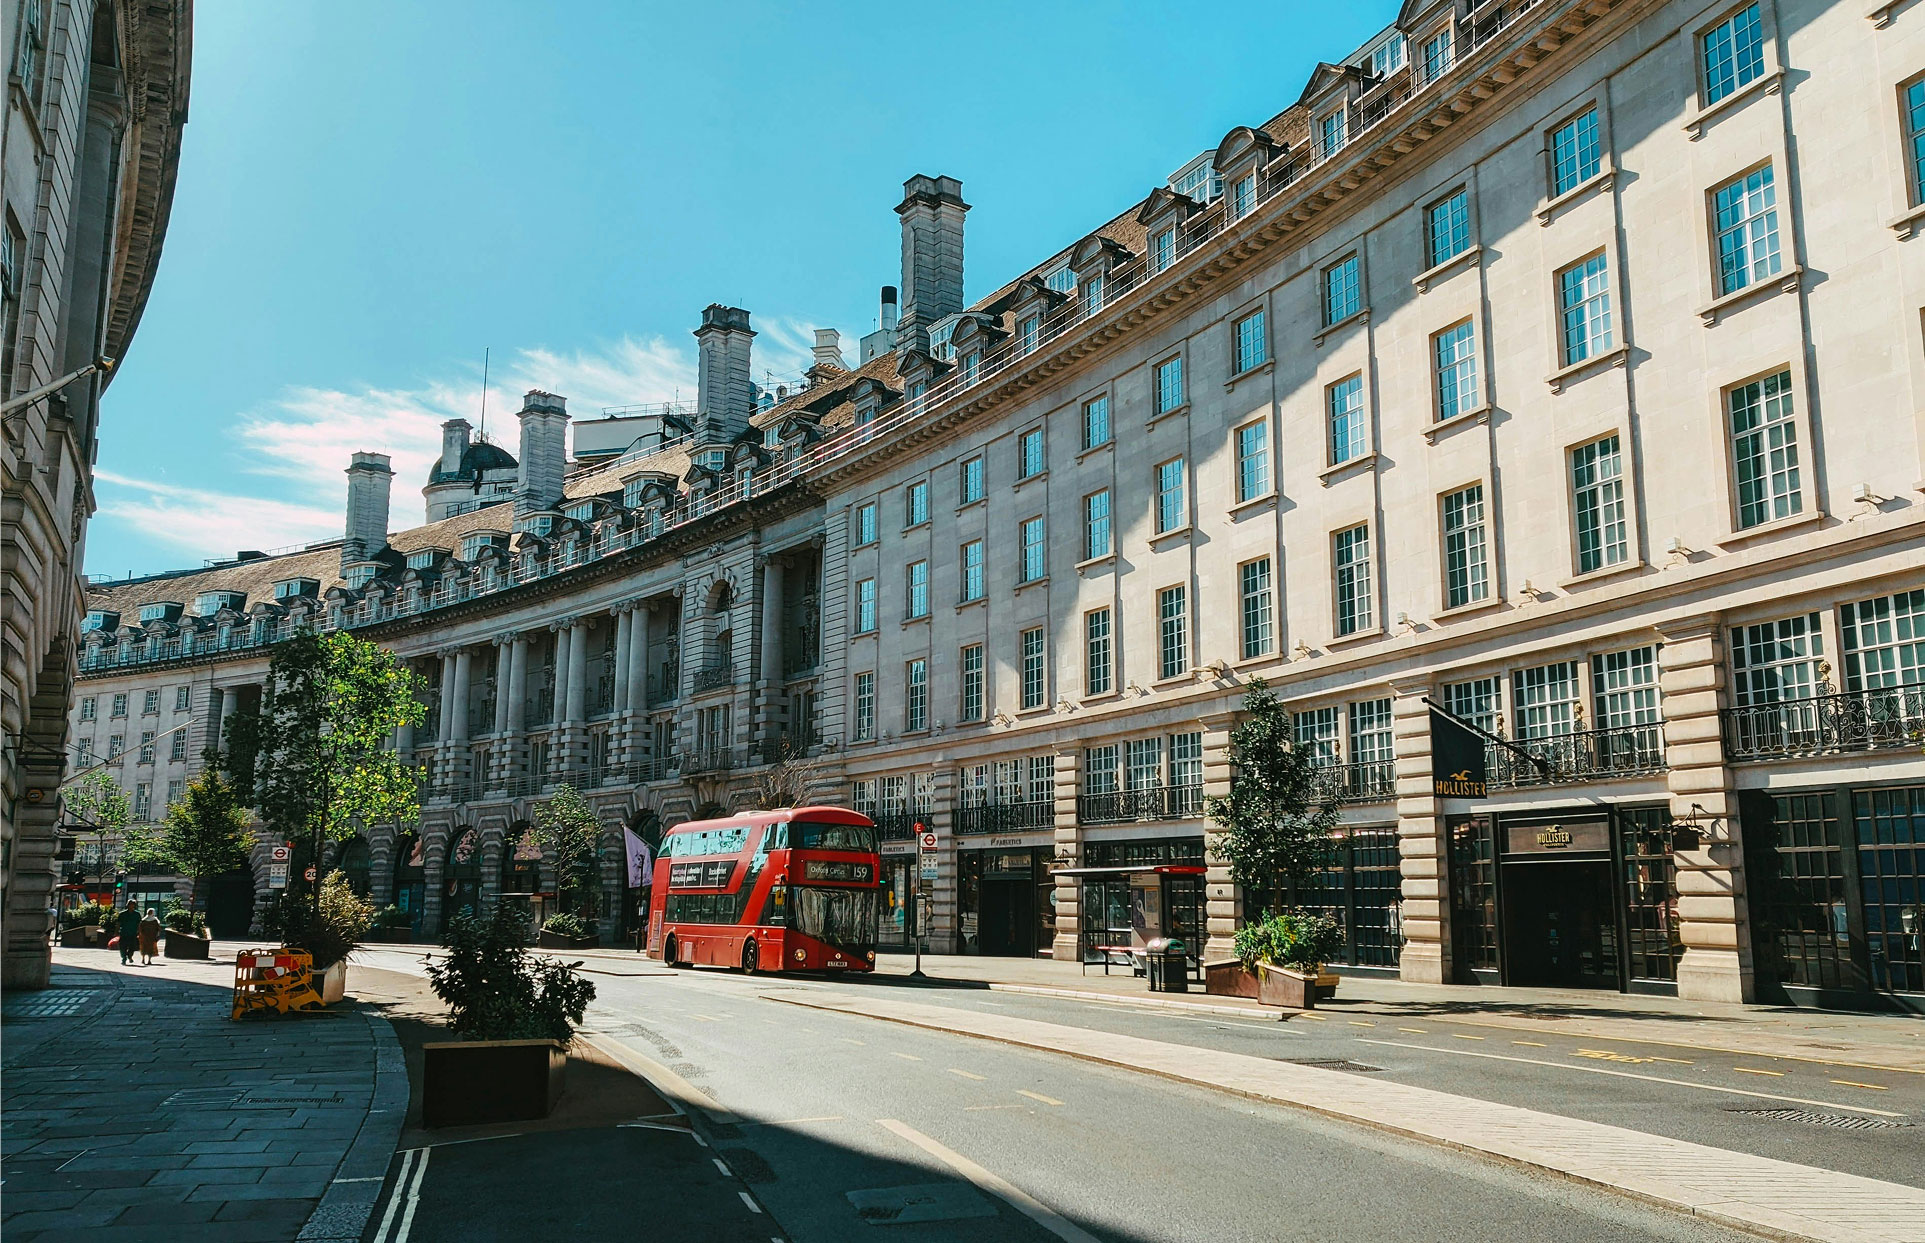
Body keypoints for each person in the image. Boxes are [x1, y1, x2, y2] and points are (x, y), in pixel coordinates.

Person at [115, 901, 140, 965]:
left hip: (133, 933)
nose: (131, 906)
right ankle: (124, 958)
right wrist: (116, 931)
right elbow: (118, 923)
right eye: (130, 904)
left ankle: (129, 956)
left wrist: (139, 932)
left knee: (132, 946)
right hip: (124, 932)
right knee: (123, 946)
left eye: (132, 905)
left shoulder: (137, 914)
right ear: (127, 905)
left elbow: (139, 924)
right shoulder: (122, 914)